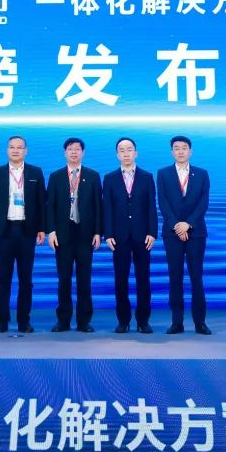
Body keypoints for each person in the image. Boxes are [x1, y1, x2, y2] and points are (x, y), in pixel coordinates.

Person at [0, 135, 46, 333]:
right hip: (5, 232)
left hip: (27, 232)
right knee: (3, 279)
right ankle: (2, 321)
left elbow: (42, 203)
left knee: (26, 279)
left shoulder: (36, 172)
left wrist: (42, 228)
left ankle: (23, 321)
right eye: (12, 147)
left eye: (19, 147)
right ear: (7, 150)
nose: (16, 150)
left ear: (26, 151)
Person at [156, 135, 211, 335]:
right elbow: (163, 202)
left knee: (196, 277)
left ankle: (200, 323)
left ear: (190, 151)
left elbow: (203, 203)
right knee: (175, 277)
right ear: (172, 152)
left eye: (184, 148)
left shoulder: (202, 174)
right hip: (172, 234)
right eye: (177, 148)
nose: (180, 151)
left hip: (196, 233)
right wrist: (177, 225)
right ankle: (176, 323)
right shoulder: (163, 174)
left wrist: (188, 224)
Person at [46, 138, 103, 333]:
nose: (74, 152)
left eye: (77, 149)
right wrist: (51, 231)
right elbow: (49, 206)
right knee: (64, 278)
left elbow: (98, 206)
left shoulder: (93, 176)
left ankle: (84, 321)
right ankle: (63, 320)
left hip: (85, 234)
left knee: (84, 278)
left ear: (83, 153)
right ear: (65, 152)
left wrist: (98, 232)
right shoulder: (56, 176)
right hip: (63, 234)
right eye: (70, 149)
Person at [103, 137, 158, 334]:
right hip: (119, 237)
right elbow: (107, 208)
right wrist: (108, 233)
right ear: (117, 154)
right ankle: (123, 321)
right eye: (122, 150)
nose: (126, 153)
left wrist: (152, 232)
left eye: (129, 149)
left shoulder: (147, 177)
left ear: (136, 153)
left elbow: (151, 206)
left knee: (143, 279)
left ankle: (143, 321)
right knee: (120, 279)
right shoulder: (109, 178)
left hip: (143, 236)